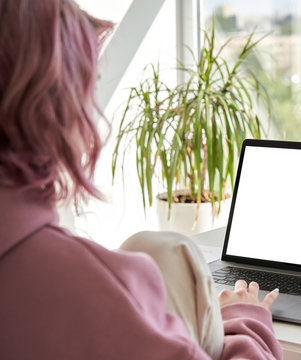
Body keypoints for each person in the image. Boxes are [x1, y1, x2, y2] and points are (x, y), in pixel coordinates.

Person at [0, 1, 281, 359]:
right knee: (163, 250)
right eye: (89, 85)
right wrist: (247, 319)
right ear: (52, 104)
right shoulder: (91, 288)